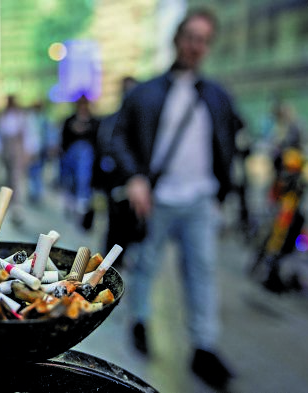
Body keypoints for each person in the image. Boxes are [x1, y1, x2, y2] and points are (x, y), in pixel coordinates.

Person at [108, 8, 243, 389]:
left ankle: (204, 346)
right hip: (157, 199)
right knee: (146, 266)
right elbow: (116, 137)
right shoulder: (145, 92)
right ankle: (140, 322)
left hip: (200, 199)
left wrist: (223, 193)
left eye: (204, 40)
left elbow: (228, 145)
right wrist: (134, 178)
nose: (196, 46)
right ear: (177, 40)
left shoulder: (216, 95)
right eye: (191, 37)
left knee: (201, 271)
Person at [95, 76, 138, 260]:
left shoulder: (143, 121)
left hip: (136, 183)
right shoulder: (113, 120)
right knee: (116, 221)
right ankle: (113, 260)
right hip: (116, 181)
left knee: (132, 222)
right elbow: (104, 149)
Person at [0, 95, 38, 224]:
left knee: (17, 181)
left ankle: (18, 210)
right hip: (6, 152)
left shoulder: (22, 117)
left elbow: (29, 135)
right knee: (7, 182)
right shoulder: (2, 116)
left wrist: (29, 151)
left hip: (17, 152)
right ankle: (10, 210)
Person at [59, 95, 100, 222]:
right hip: (70, 157)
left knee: (84, 151)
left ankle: (82, 196)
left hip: (87, 159)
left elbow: (97, 141)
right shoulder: (70, 120)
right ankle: (76, 198)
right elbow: (63, 142)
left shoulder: (94, 122)